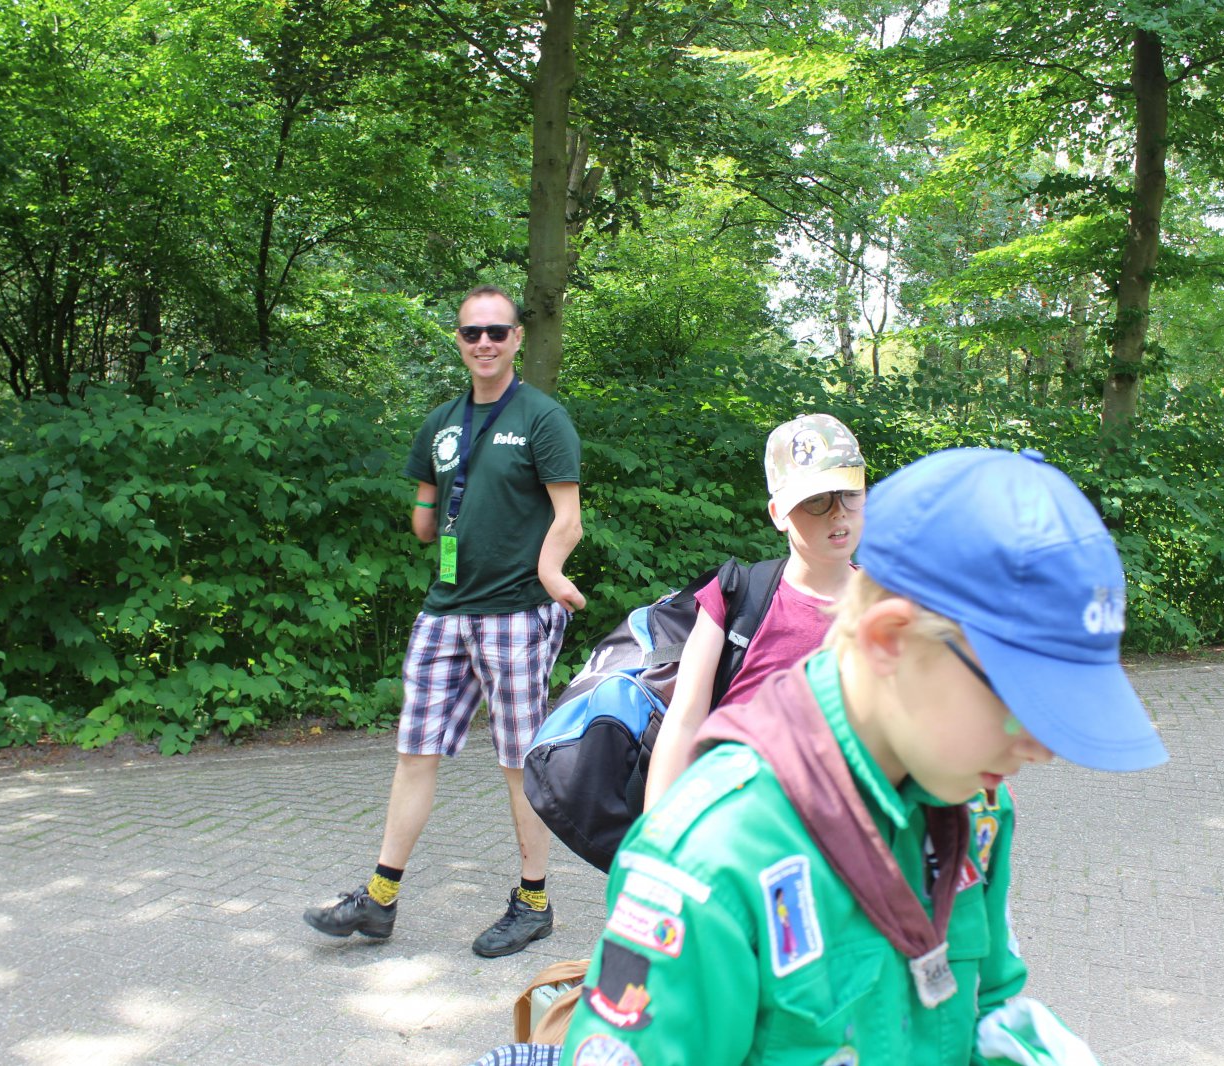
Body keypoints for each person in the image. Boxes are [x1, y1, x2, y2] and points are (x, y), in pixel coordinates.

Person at [559, 447, 1170, 1066]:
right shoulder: (712, 861)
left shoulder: (975, 807)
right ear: (890, 643)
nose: (1042, 748)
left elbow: (988, 1003)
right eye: (1022, 699)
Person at [304, 284, 586, 958]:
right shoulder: (440, 424)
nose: (484, 343)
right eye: (471, 333)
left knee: (520, 762)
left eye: (497, 331)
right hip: (444, 611)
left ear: (518, 337)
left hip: (517, 612)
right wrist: (430, 511)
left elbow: (568, 517)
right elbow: (425, 519)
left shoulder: (543, 419)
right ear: (458, 342)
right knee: (415, 753)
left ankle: (535, 902)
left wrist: (550, 571)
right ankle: (378, 900)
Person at [642, 412, 865, 810]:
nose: (838, 511)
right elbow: (684, 721)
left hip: (847, 837)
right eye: (815, 499)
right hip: (739, 829)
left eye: (849, 492)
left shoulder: (890, 607)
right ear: (779, 513)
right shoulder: (735, 599)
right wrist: (651, 845)